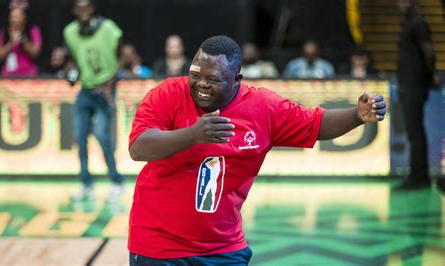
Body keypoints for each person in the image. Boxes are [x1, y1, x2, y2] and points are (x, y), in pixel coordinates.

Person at [128, 35, 387, 264]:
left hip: (222, 248)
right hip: (158, 245)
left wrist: (356, 115)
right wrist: (193, 135)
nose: (201, 84)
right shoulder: (168, 94)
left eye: (213, 79)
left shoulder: (263, 107)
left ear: (236, 79)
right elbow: (139, 147)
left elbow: (316, 124)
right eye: (195, 75)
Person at [63, 0, 124, 202]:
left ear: (93, 8)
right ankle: (86, 184)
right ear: (74, 10)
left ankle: (116, 181)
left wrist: (111, 82)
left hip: (105, 90)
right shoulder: (70, 32)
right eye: (79, 7)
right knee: (79, 137)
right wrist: (71, 71)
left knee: (101, 135)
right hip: (86, 89)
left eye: (87, 6)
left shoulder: (108, 28)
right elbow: (72, 58)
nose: (83, 11)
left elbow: (126, 54)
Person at [394, 0, 439, 190]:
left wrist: (431, 75)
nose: (400, 4)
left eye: (404, 1)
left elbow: (428, 51)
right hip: (408, 85)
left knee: (415, 133)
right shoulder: (408, 23)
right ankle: (419, 176)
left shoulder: (418, 23)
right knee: (414, 133)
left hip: (414, 86)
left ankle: (419, 178)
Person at [0, 3, 42, 77]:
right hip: (8, 75)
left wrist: (22, 39)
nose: (14, 20)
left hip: (29, 74)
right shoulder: (4, 32)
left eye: (17, 17)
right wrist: (11, 42)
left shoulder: (33, 30)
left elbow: (35, 54)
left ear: (24, 18)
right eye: (12, 17)